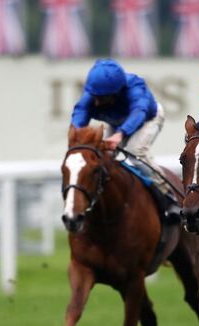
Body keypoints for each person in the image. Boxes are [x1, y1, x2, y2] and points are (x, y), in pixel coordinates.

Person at [71, 59, 180, 220]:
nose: (95, 102)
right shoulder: (93, 94)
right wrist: (75, 138)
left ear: (116, 92)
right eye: (93, 96)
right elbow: (79, 117)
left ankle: (168, 196)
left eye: (101, 98)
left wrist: (120, 134)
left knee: (134, 152)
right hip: (117, 123)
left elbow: (139, 112)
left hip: (148, 119)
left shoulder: (135, 87)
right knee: (101, 158)